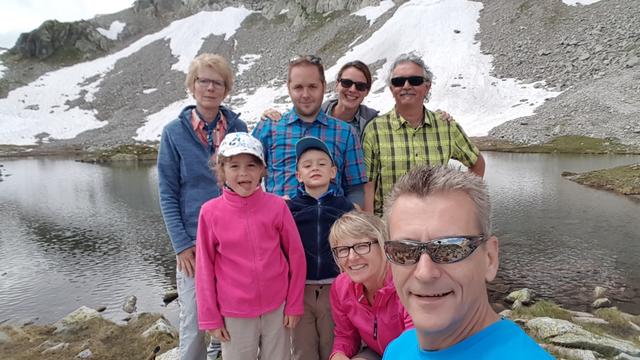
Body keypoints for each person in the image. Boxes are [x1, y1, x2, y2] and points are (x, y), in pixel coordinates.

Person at [382, 166, 553, 359]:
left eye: (450, 248)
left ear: (490, 258)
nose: (425, 273)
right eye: (404, 250)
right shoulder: (397, 349)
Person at [157, 53, 248, 359]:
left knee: (234, 316)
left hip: (234, 240)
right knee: (194, 321)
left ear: (226, 88)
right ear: (192, 86)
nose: (210, 88)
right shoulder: (173, 132)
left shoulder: (238, 127)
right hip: (194, 245)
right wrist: (181, 244)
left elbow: (249, 178)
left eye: (218, 82)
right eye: (203, 81)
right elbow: (168, 193)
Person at [195, 132, 306, 360]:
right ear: (222, 171)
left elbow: (296, 256)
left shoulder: (277, 207)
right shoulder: (210, 212)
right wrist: (210, 317)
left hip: (278, 307)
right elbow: (204, 269)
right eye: (234, 166)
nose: (243, 173)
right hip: (235, 311)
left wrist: (294, 303)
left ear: (262, 170)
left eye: (251, 165)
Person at [362, 52, 486, 216]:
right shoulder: (374, 131)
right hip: (390, 228)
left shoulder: (446, 127)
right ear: (392, 89)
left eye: (415, 80)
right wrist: (372, 229)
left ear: (427, 87)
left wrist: (461, 204)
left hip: (437, 226)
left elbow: (477, 163)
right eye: (399, 81)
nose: (406, 86)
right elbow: (368, 185)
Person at [252, 55, 368, 207]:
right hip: (278, 226)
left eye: (312, 87)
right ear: (289, 88)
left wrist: (351, 218)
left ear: (323, 86)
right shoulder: (269, 127)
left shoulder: (345, 133)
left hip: (331, 226)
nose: (305, 95)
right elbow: (248, 177)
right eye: (298, 87)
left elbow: (355, 189)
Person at [286, 136, 355, 360]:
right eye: (307, 165)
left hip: (335, 286)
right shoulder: (288, 208)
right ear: (299, 175)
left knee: (333, 345)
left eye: (322, 163)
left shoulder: (344, 206)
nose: (315, 168)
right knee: (302, 347)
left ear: (333, 172)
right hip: (299, 289)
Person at [328, 211, 413, 360]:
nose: (352, 257)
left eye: (361, 246)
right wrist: (339, 354)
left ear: (382, 245)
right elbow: (345, 335)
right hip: (376, 352)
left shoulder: (405, 282)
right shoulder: (341, 287)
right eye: (343, 250)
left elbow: (413, 343)